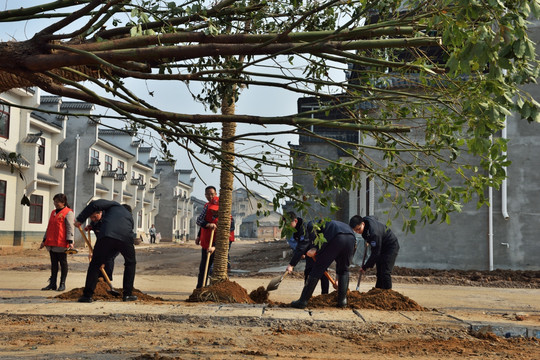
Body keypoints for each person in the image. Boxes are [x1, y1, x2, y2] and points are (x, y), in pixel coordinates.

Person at [74, 200, 137, 302]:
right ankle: (127, 294)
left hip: (107, 234)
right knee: (130, 262)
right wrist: (106, 258)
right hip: (125, 238)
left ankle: (87, 296)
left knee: (95, 263)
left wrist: (80, 219)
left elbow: (94, 204)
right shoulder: (129, 216)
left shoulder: (114, 205)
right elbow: (121, 238)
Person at [289, 219, 356, 309]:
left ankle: (302, 301)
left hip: (336, 238)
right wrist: (337, 279)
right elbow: (341, 264)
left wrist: (314, 248)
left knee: (317, 269)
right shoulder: (331, 224)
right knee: (344, 269)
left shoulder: (311, 224)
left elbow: (312, 234)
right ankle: (342, 301)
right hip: (351, 238)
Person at [195, 186, 235, 288]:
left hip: (220, 245)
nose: (214, 212)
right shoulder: (207, 207)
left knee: (216, 267)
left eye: (216, 210)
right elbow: (200, 221)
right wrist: (200, 234)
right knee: (204, 268)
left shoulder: (228, 219)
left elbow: (226, 240)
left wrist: (215, 247)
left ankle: (216, 287)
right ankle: (200, 288)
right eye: (212, 210)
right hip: (207, 242)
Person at [349, 215, 400, 289]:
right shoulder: (367, 220)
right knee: (379, 272)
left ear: (363, 224)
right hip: (380, 245)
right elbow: (375, 217)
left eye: (359, 229)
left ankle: (388, 295)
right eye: (355, 230)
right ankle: (377, 291)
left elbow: (375, 253)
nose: (358, 232)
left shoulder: (374, 234)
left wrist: (365, 267)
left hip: (390, 246)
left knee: (385, 272)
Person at [285, 211, 329, 295]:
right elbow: (300, 245)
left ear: (295, 221)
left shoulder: (304, 228)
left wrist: (291, 265)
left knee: (323, 273)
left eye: (288, 223)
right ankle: (307, 295)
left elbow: (302, 245)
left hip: (319, 250)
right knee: (308, 272)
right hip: (309, 253)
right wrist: (303, 252)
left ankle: (325, 295)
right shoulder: (296, 229)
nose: (287, 226)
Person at [40, 193, 75, 292]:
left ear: (63, 202)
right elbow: (49, 227)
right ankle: (52, 283)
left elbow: (70, 228)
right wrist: (44, 240)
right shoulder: (53, 212)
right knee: (53, 264)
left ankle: (62, 283)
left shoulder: (68, 213)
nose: (55, 203)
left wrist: (70, 241)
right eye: (54, 201)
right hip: (51, 243)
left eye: (57, 202)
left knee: (63, 263)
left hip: (61, 243)